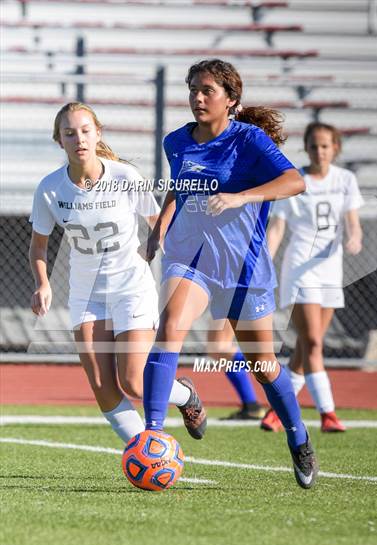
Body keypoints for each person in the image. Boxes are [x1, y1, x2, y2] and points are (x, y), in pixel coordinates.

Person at [143, 59, 318, 489]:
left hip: (244, 268)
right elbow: (179, 186)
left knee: (263, 365)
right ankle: (151, 434)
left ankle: (298, 437)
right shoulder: (176, 141)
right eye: (193, 90)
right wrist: (161, 226)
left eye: (207, 91)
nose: (198, 98)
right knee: (169, 328)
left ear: (231, 100)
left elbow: (295, 181)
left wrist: (243, 197)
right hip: (191, 259)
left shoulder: (250, 140)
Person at [29, 102, 206, 446]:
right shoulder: (49, 189)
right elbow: (38, 248)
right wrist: (43, 284)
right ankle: (146, 450)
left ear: (97, 134)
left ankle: (185, 395)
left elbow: (158, 225)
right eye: (69, 133)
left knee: (135, 383)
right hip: (86, 294)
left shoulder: (124, 177)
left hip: (131, 287)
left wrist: (165, 251)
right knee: (102, 386)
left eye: (84, 131)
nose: (78, 138)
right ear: (59, 141)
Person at [261, 121, 364, 433]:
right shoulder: (295, 181)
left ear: (335, 148)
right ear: (306, 148)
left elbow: (352, 221)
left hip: (331, 271)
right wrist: (262, 260)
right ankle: (328, 414)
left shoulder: (345, 180)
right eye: (314, 145)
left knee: (306, 350)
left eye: (325, 146)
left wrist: (354, 237)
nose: (320, 151)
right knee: (315, 342)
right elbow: (277, 228)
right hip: (300, 269)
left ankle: (276, 411)